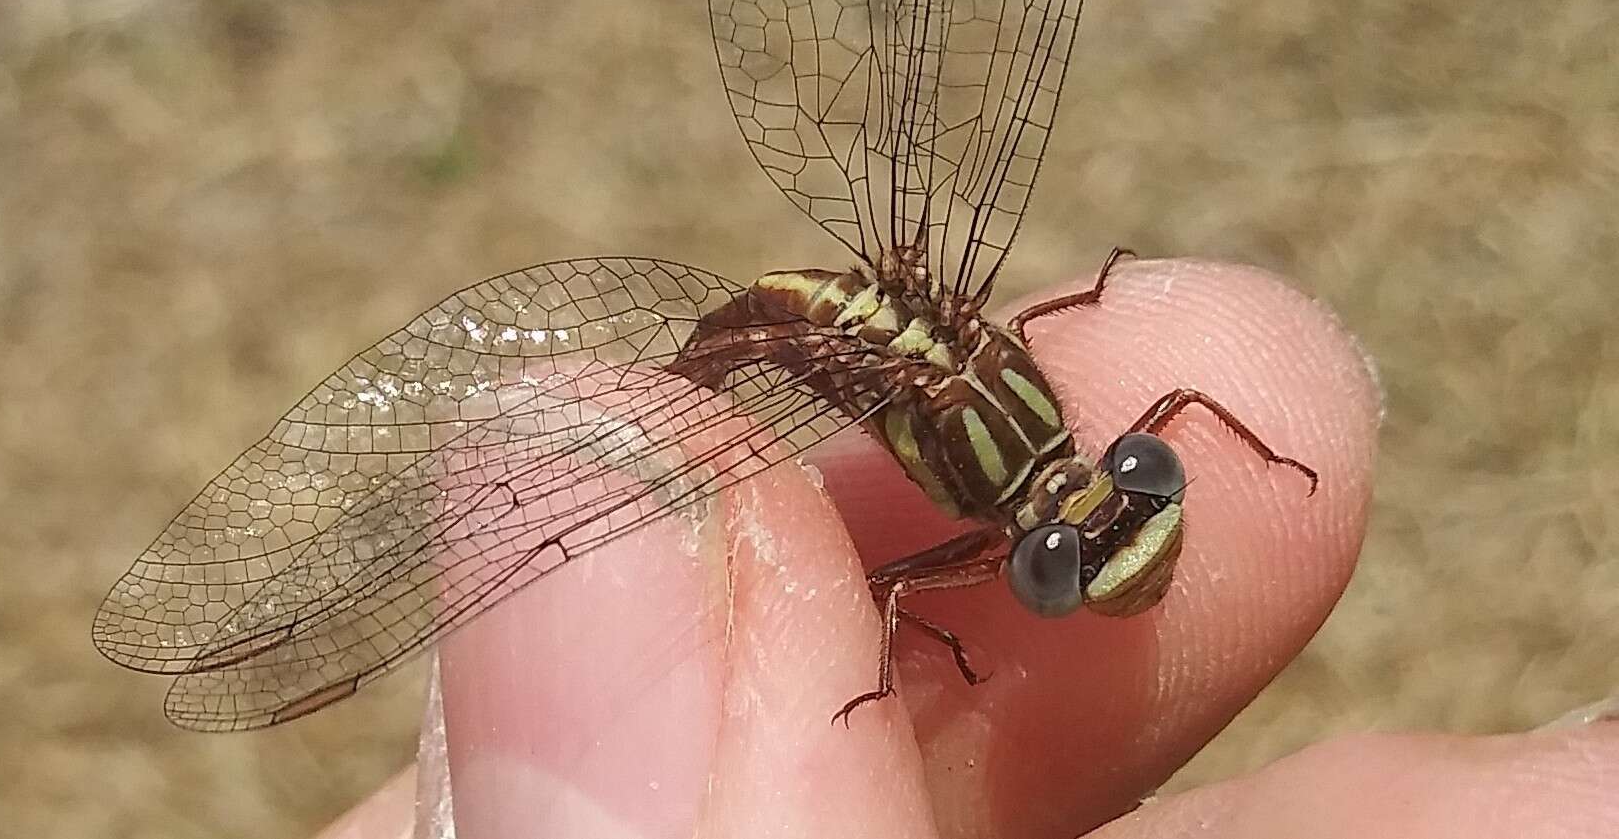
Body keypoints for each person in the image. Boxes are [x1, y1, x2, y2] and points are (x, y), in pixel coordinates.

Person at [316, 260, 1617, 839]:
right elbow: (883, 590)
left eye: (1105, 514)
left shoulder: (1071, 452)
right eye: (1121, 498)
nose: (1119, 503)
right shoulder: (1006, 500)